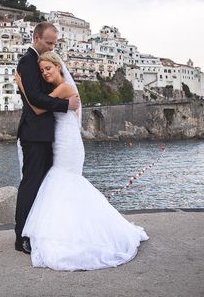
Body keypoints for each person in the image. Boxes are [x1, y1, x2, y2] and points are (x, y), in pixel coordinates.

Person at [15, 51, 148, 271]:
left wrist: (22, 86)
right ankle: (65, 229)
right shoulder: (55, 89)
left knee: (64, 182)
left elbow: (38, 107)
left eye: (48, 68)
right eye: (41, 70)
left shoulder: (66, 88)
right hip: (59, 141)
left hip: (67, 145)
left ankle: (73, 233)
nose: (45, 73)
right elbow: (44, 102)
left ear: (59, 67)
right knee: (59, 184)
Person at [14, 22, 80, 254]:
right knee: (31, 185)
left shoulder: (39, 62)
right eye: (48, 42)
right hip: (34, 134)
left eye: (54, 43)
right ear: (36, 38)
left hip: (45, 134)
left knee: (43, 185)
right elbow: (35, 100)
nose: (52, 46)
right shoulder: (28, 62)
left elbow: (38, 95)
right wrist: (65, 104)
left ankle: (37, 231)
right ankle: (21, 236)